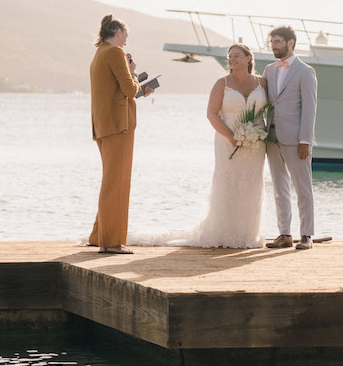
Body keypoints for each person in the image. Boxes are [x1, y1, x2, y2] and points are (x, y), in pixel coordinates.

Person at [130, 43, 267, 248]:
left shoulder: (262, 83)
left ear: (249, 58)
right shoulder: (222, 83)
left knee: (252, 186)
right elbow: (211, 113)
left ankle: (248, 235)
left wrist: (261, 135)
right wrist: (230, 136)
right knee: (227, 184)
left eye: (237, 56)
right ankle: (224, 234)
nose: (232, 60)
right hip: (227, 142)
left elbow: (271, 111)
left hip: (256, 144)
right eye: (229, 56)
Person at [88, 14, 149, 254]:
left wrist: (135, 87)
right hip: (118, 125)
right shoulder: (114, 53)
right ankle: (112, 241)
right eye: (125, 35)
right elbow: (127, 88)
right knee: (118, 182)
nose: (126, 40)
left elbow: (114, 90)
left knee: (110, 180)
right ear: (118, 32)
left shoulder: (99, 53)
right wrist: (133, 74)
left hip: (103, 124)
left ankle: (98, 235)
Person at [263, 25, 318, 250]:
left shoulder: (305, 71)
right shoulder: (269, 69)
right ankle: (284, 234)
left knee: (303, 188)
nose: (273, 46)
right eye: (272, 42)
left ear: (290, 43)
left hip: (296, 139)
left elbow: (310, 108)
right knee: (279, 188)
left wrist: (305, 140)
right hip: (272, 136)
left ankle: (306, 235)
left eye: (277, 41)